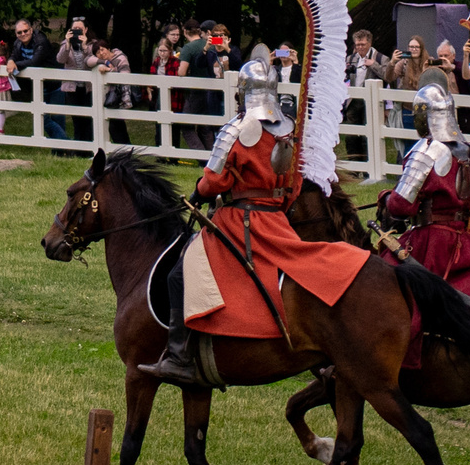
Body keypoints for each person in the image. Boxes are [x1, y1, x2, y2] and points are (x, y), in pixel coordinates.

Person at [139, 60, 371, 388]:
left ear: (243, 92)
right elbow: (292, 187)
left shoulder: (237, 128)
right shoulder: (287, 129)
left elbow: (214, 182)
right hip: (278, 222)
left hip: (239, 221)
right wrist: (276, 207)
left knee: (179, 274)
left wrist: (200, 192)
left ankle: (178, 356)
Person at [379, 71, 470, 282]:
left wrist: (386, 198)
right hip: (463, 240)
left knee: (382, 278)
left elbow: (402, 206)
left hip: (430, 242)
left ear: (423, 115)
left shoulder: (427, 151)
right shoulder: (467, 151)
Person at [50, 17, 97, 144]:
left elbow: (93, 62)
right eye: (74, 29)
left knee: (88, 118)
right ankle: (79, 147)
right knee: (76, 118)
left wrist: (85, 46)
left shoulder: (93, 44)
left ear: (86, 30)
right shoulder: (65, 44)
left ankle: (89, 147)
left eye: (79, 29)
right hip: (72, 87)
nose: (76, 31)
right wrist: (68, 44)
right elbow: (60, 60)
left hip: (88, 87)